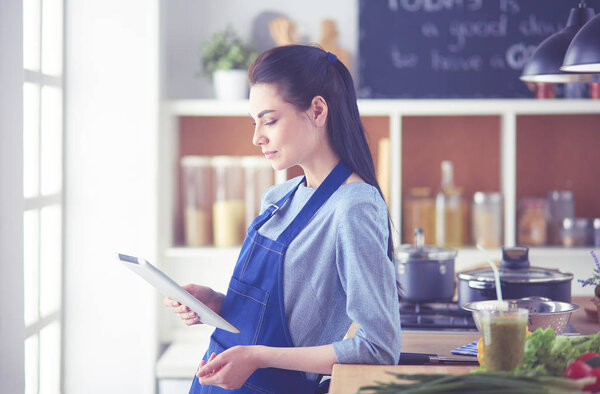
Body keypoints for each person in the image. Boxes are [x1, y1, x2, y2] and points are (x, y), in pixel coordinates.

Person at [164, 44, 401, 393]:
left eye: (270, 120)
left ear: (317, 110)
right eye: (254, 122)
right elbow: (276, 315)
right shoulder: (279, 197)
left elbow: (378, 349)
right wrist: (217, 303)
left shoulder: (354, 208)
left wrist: (258, 357)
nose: (257, 137)